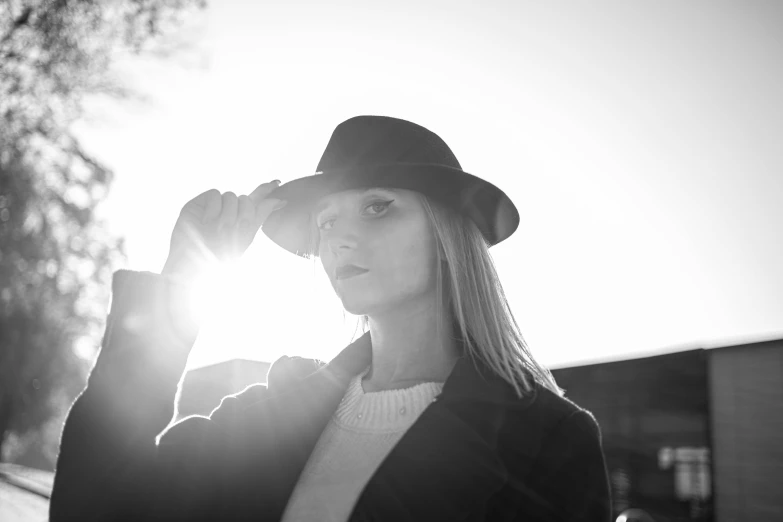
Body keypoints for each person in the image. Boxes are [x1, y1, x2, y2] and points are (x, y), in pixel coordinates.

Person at [50, 116, 611, 521]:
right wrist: (178, 284)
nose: (339, 239)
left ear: (447, 235)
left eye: (376, 207)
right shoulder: (269, 414)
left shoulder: (551, 442)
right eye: (325, 222)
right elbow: (97, 505)